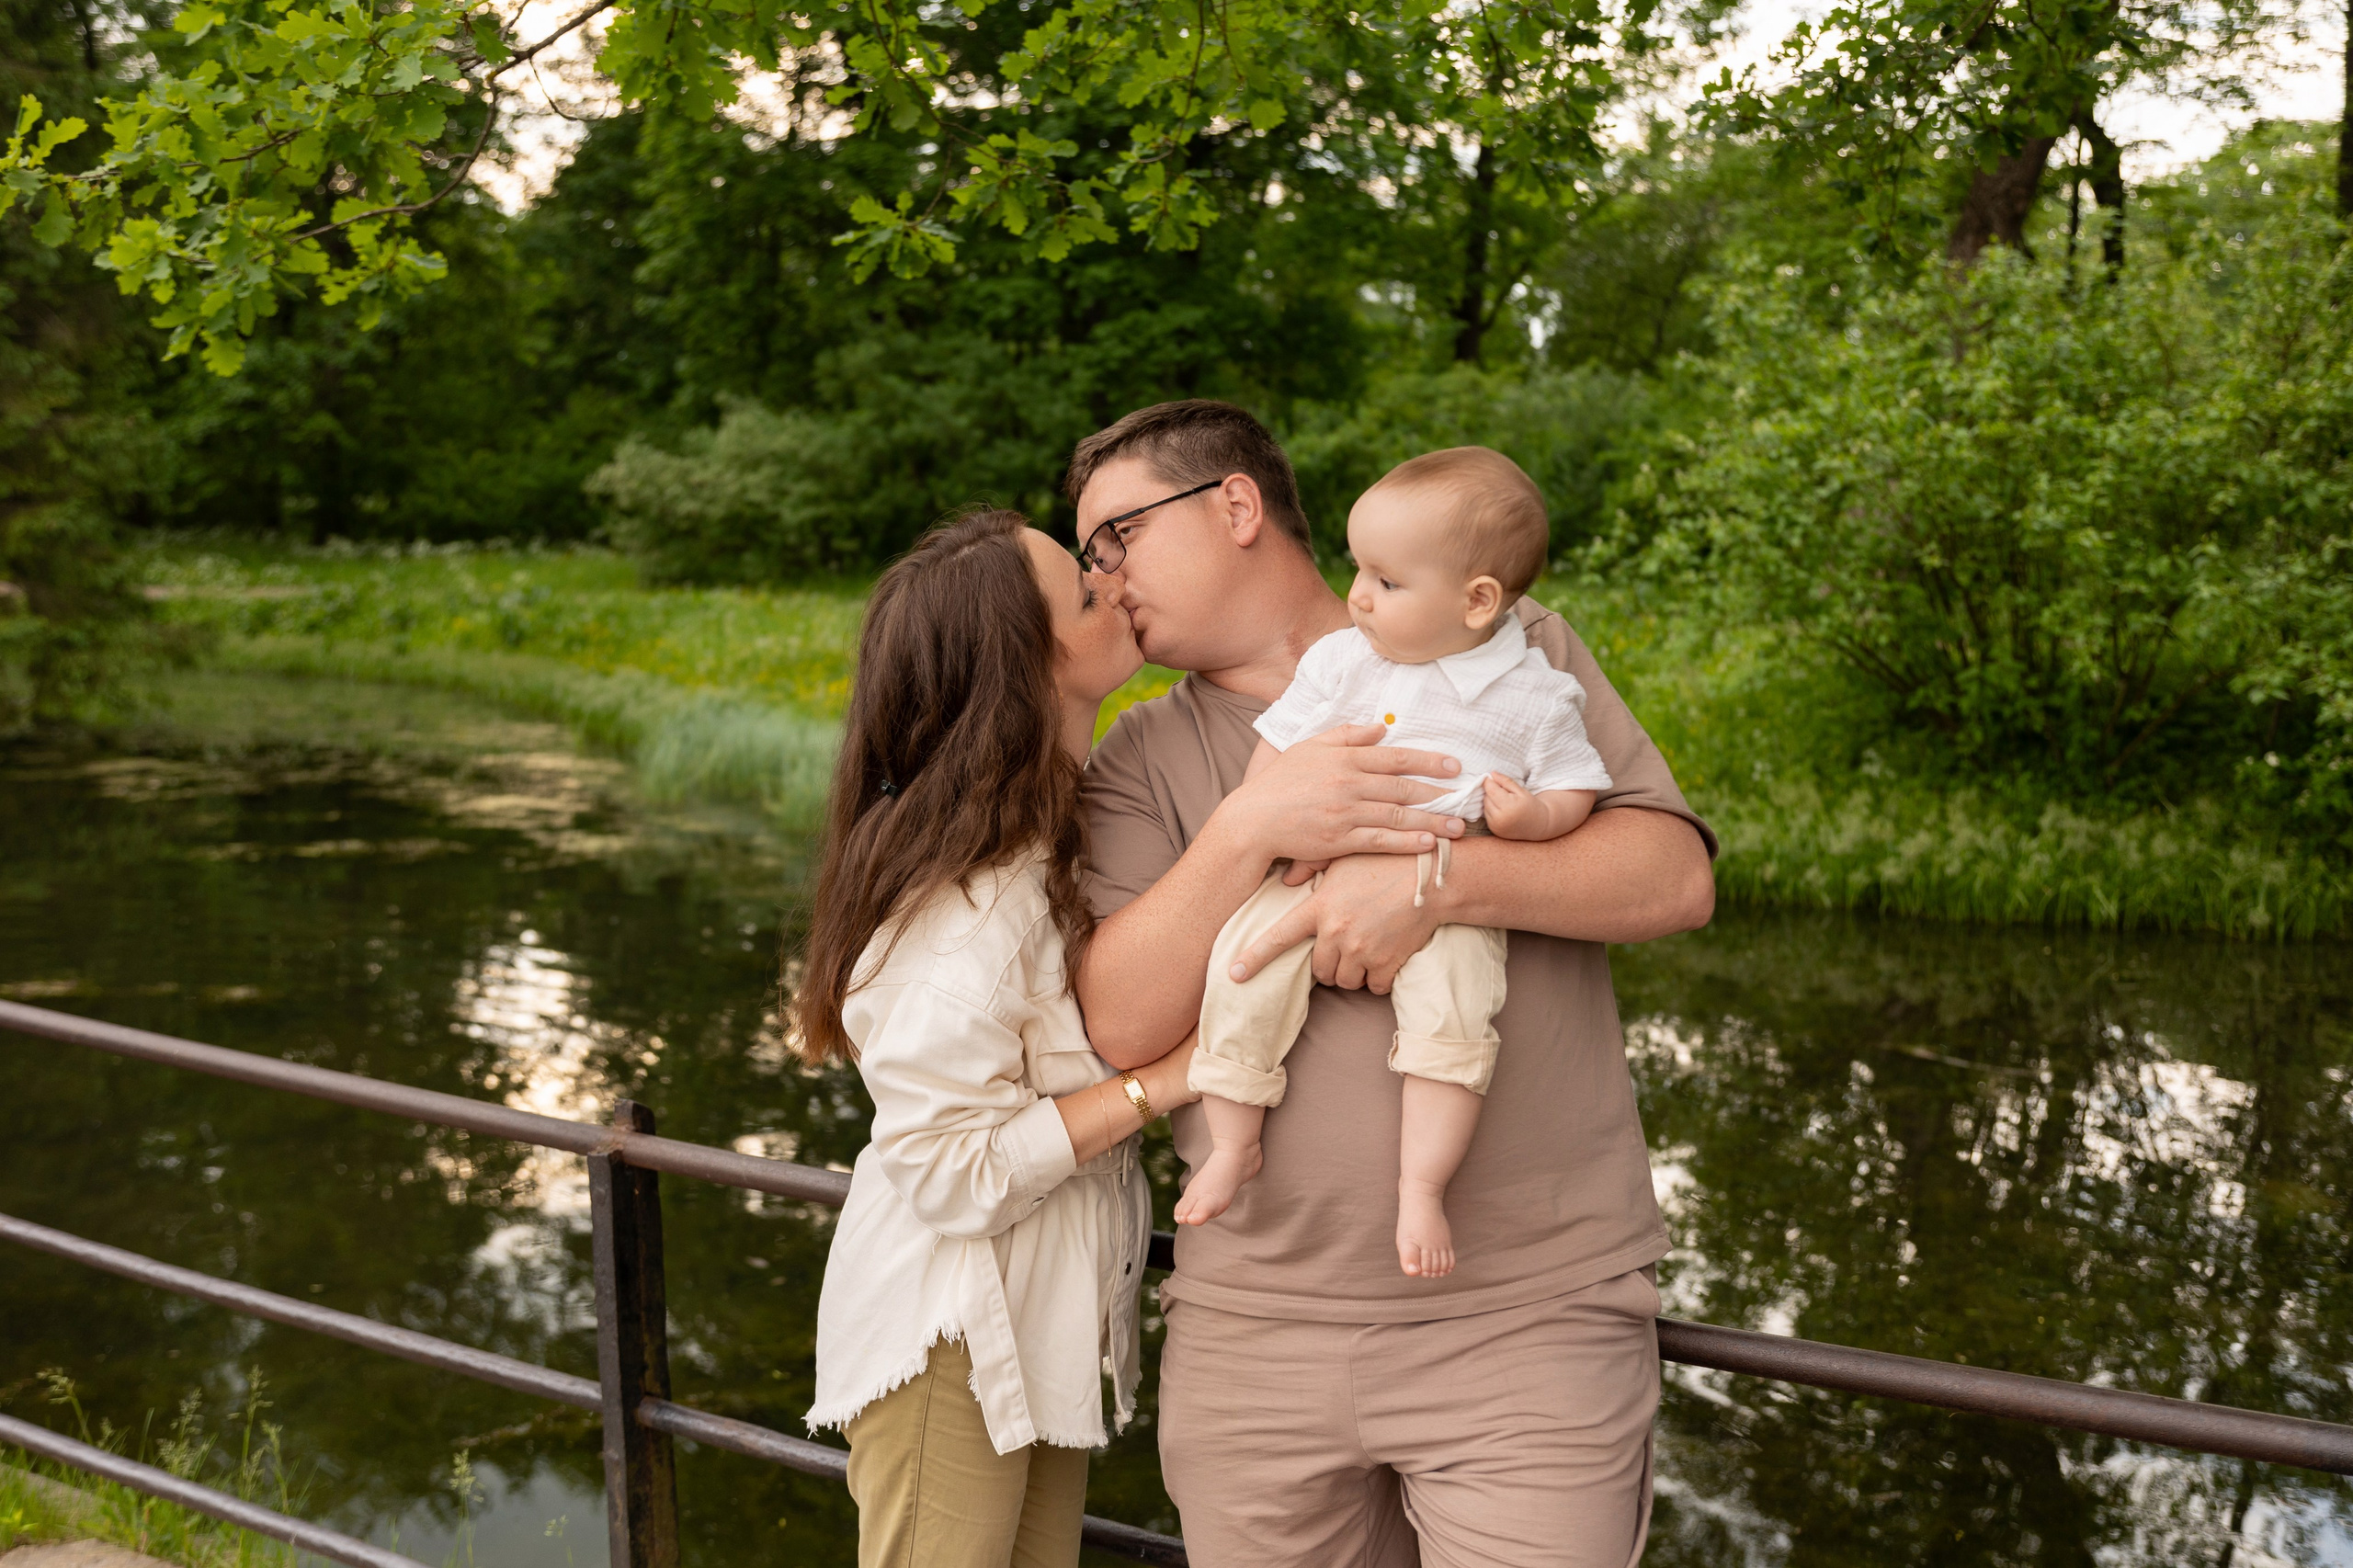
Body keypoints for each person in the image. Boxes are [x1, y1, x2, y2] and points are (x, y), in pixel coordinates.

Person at [1068, 402, 1717, 1568]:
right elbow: (1120, 1021)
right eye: (1086, 555)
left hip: (1526, 1323)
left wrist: (1441, 883)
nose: (1101, 576)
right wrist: (1249, 827)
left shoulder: (1513, 647)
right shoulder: (1136, 760)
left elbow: (1672, 878)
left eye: (1115, 534)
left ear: (1234, 504)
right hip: (1253, 1334)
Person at [796, 508, 1200, 1568]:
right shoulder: (968, 908)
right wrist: (1166, 1081)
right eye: (1082, 587)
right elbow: (946, 1166)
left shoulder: (1054, 830)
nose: (1114, 583)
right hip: (952, 1339)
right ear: (1028, 666)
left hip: (1029, 1334)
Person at [1178, 447, 1615, 1284]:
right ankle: (1234, 1143)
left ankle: (1421, 1186)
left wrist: (1531, 818)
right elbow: (1274, 757)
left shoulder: (1536, 692)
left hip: (1445, 887)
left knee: (1453, 1020)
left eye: (1386, 580)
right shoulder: (1344, 660)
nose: (1358, 596)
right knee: (1242, 967)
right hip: (1313, 869)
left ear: (1478, 601)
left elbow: (1573, 789)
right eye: (1358, 569)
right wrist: (1275, 830)